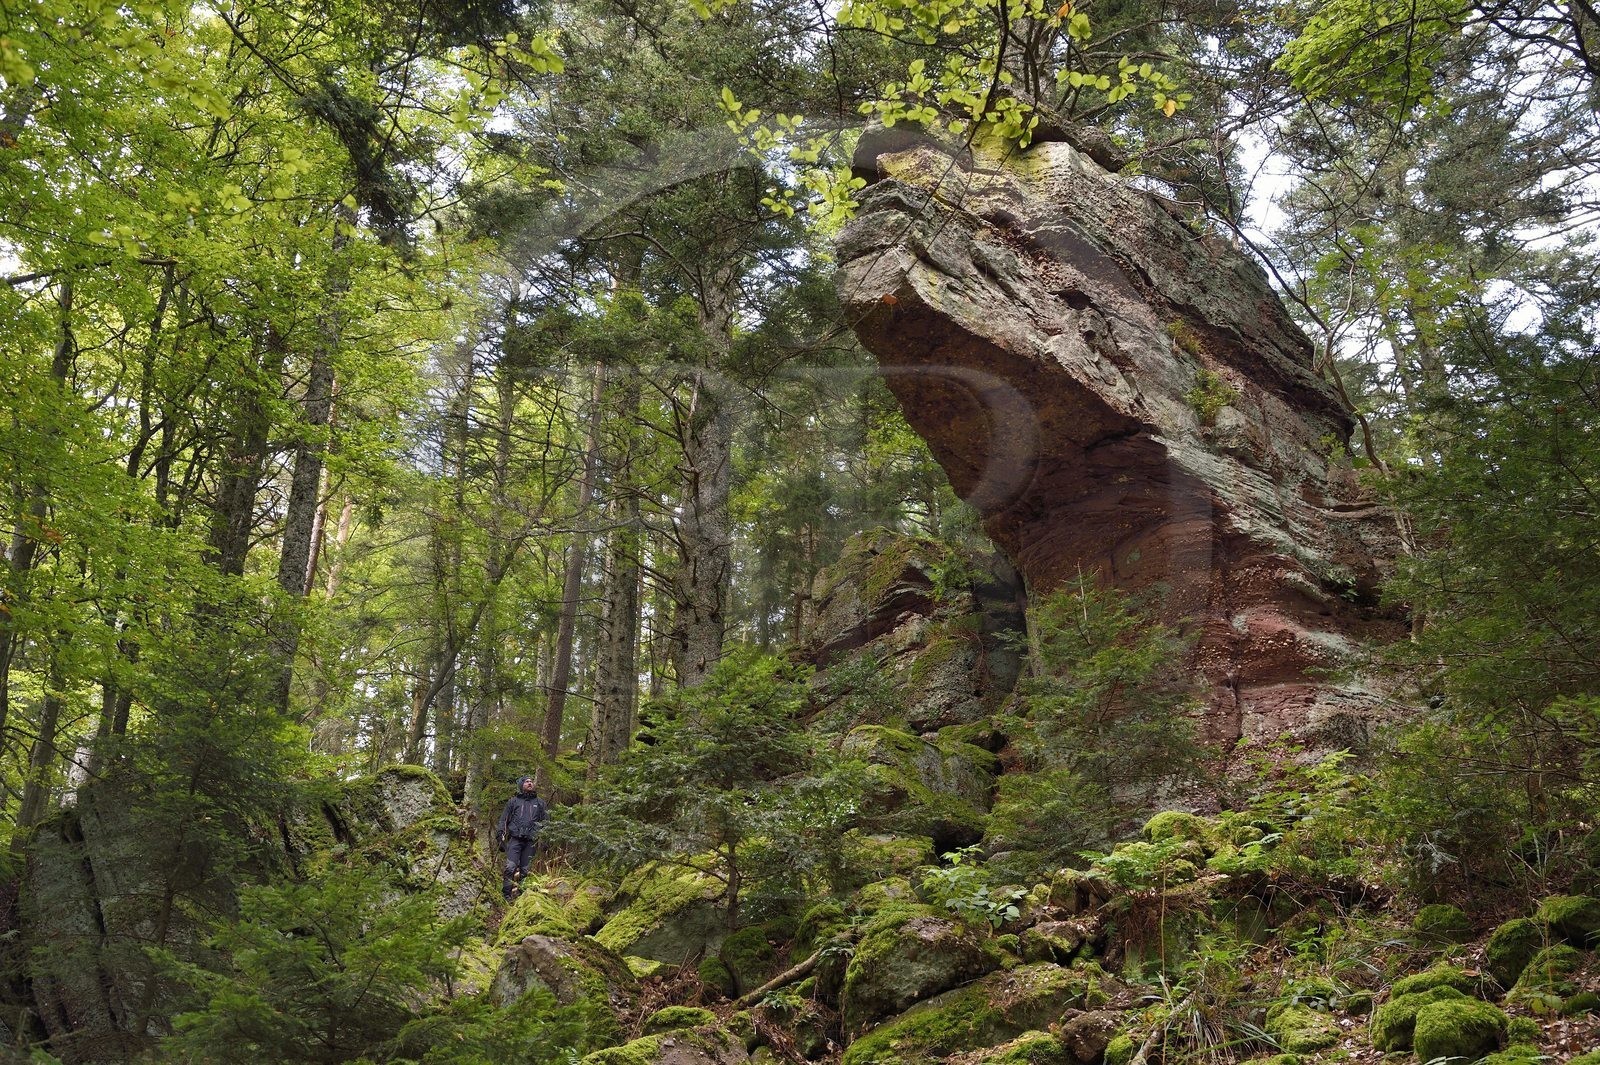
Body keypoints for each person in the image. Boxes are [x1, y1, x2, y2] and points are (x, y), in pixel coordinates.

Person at [495, 775, 548, 901]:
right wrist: (500, 837)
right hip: (515, 839)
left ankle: (521, 897)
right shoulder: (513, 802)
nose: (530, 783)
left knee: (525, 870)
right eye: (526, 781)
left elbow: (546, 823)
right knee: (510, 867)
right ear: (521, 785)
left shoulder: (540, 803)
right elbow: (504, 819)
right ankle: (506, 896)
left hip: (531, 841)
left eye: (531, 781)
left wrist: (545, 839)